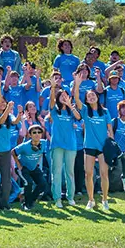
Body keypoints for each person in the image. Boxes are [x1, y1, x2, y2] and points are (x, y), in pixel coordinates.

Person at [74, 72, 112, 210]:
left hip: (103, 147)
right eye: (88, 96)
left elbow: (110, 129)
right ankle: (91, 200)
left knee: (103, 173)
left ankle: (105, 199)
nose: (91, 97)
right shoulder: (84, 110)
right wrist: (77, 84)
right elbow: (76, 99)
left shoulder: (105, 111)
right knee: (88, 173)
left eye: (93, 95)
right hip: (89, 146)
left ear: (97, 97)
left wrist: (111, 143)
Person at [47, 80, 81, 208]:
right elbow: (51, 102)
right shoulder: (55, 111)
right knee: (56, 172)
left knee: (69, 172)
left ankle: (70, 197)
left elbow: (78, 117)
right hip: (57, 145)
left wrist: (70, 105)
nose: (64, 98)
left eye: (66, 96)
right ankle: (57, 199)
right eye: (61, 96)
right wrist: (53, 87)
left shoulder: (71, 111)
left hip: (71, 145)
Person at [14, 124, 50, 211]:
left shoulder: (43, 143)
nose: (37, 134)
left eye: (39, 132)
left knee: (43, 184)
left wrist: (36, 163)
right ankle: (26, 204)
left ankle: (29, 200)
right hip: (23, 168)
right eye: (34, 132)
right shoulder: (25, 145)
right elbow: (13, 152)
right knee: (28, 183)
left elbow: (40, 154)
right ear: (30, 135)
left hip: (33, 167)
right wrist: (19, 166)